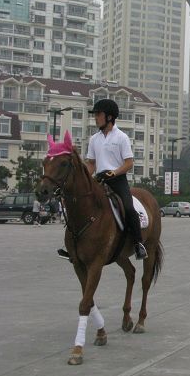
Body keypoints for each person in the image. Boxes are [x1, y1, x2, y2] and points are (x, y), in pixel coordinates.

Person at [57, 98, 147, 260]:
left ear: (109, 117)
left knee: (128, 207)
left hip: (117, 181)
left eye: (98, 114)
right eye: (95, 115)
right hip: (98, 180)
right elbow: (91, 164)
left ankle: (138, 243)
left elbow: (129, 163)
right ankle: (71, 244)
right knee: (78, 203)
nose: (95, 117)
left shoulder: (121, 137)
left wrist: (114, 172)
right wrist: (82, 178)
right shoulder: (94, 139)